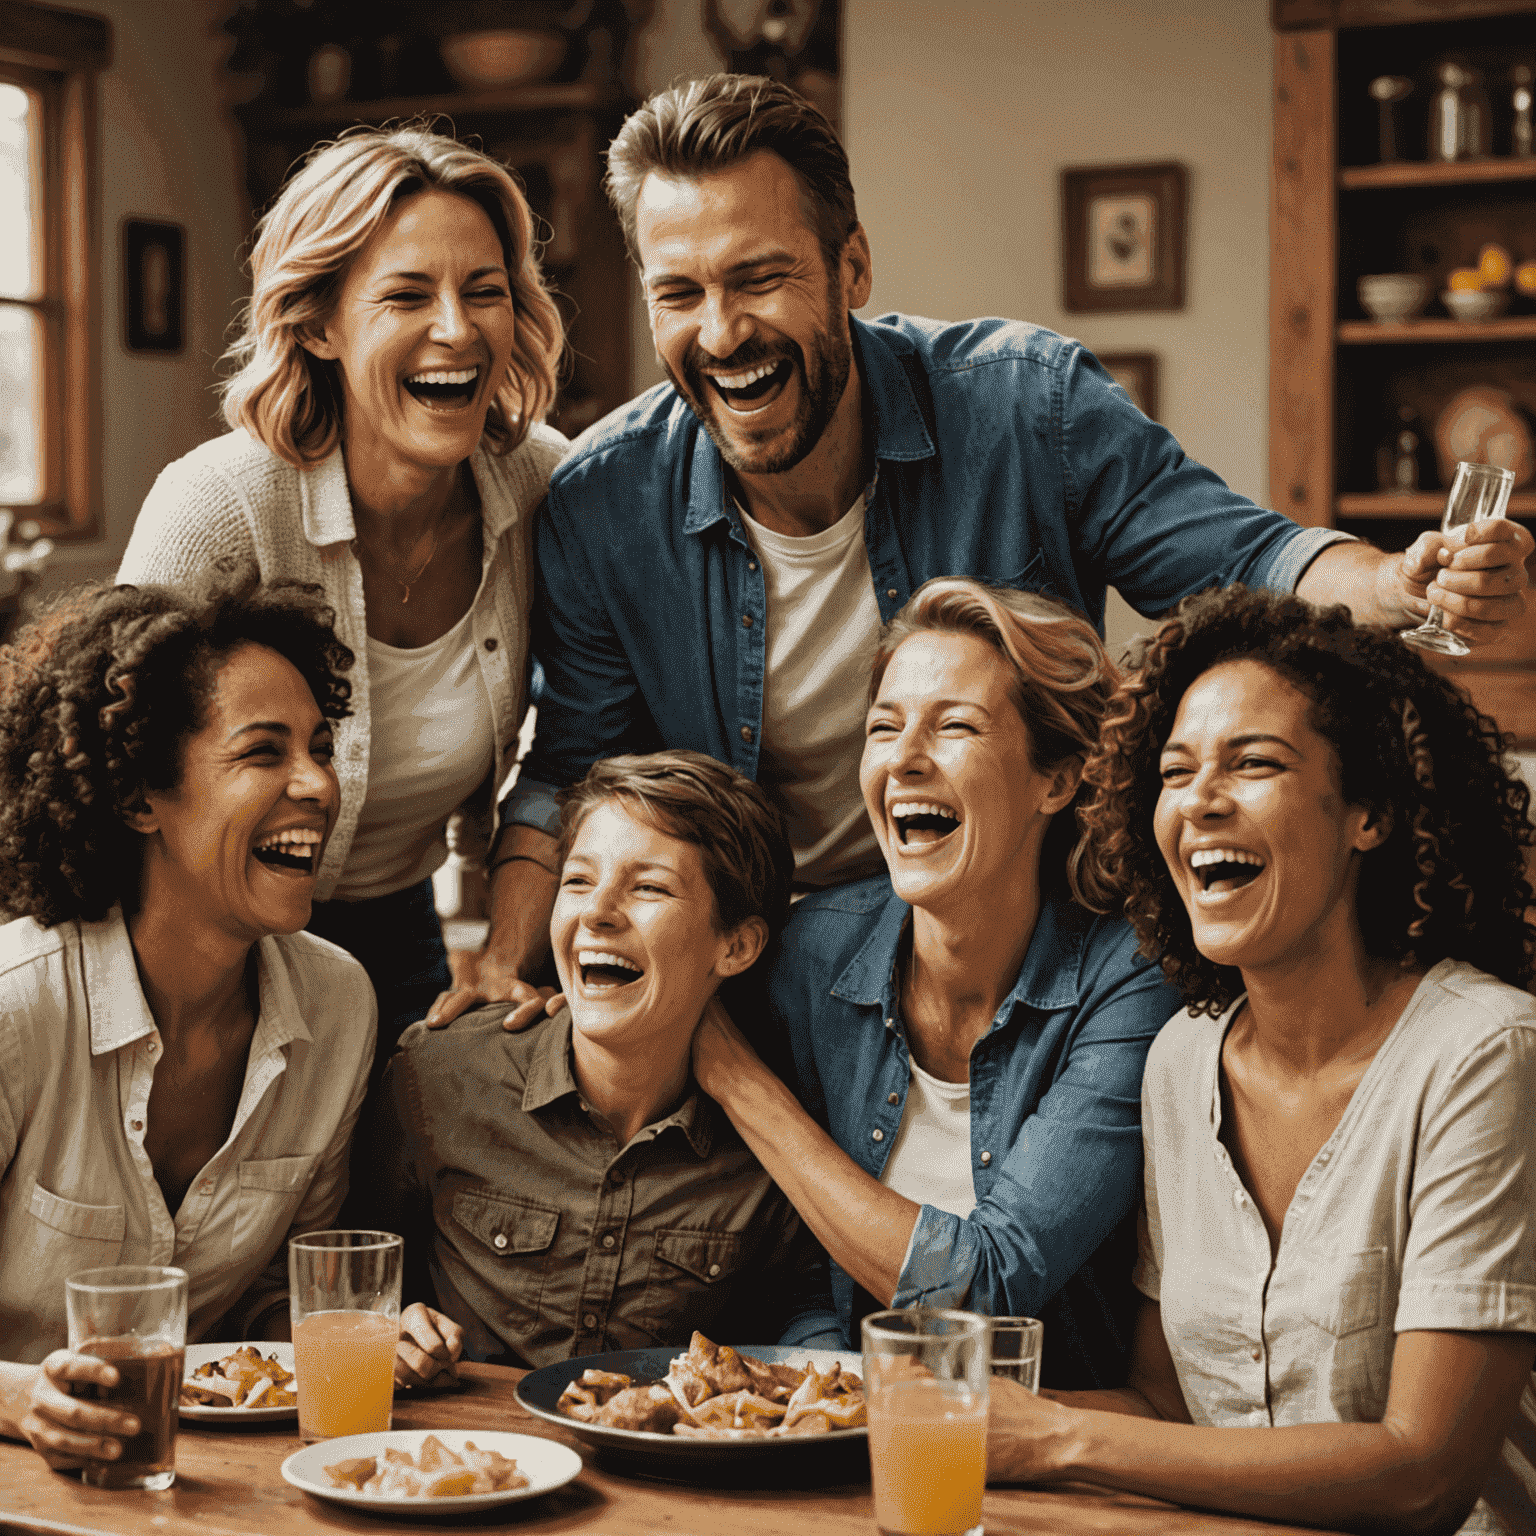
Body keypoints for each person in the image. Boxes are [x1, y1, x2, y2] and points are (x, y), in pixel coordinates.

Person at [435, 71, 1533, 1030]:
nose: (721, 333)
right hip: (760, 975)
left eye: (759, 278)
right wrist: (497, 962)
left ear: (850, 267)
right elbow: (570, 767)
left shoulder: (1025, 407)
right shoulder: (601, 501)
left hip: (1037, 965)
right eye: (680, 292)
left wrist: (1397, 583)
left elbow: (1244, 556)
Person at [984, 587, 1536, 1534]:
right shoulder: (1180, 1062)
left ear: (1368, 811)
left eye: (1255, 764)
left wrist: (1054, 1439)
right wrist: (907, 1410)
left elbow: (1424, 1471)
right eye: (1175, 772)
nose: (1199, 801)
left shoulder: (1484, 1053)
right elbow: (1167, 1409)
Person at [117, 124, 567, 1074]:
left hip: (401, 935)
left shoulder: (544, 490)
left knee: (374, 1218)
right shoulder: (219, 508)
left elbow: (579, 737)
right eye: (407, 294)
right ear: (318, 324)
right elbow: (106, 765)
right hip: (192, 946)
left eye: (484, 292)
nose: (457, 328)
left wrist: (502, 942)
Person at [686, 578, 1184, 1386]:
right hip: (841, 1444)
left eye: (955, 726)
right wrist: (827, 1395)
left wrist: (739, 1081)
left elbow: (989, 1287)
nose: (905, 759)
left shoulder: (1127, 982)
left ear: (1054, 781)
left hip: (1052, 1469)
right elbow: (792, 1255)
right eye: (884, 728)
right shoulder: (810, 954)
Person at [0, 565, 376, 1472]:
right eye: (263, 753)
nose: (317, 785)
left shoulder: (338, 1005)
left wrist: (365, 1334)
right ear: (138, 799)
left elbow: (264, 1314)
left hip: (194, 1488)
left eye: (321, 748)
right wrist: (22, 1398)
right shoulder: (17, 1009)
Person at [355, 751, 841, 1385]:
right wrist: (380, 1327)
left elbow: (800, 1321)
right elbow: (333, 1276)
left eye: (648, 888)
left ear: (738, 945)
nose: (597, 913)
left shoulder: (774, 1138)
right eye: (578, 881)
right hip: (461, 1463)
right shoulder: (439, 1075)